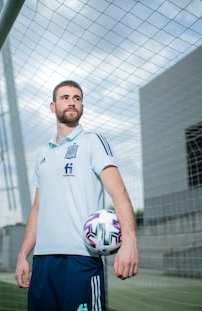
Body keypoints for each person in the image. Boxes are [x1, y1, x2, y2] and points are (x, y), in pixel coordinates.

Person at [15, 80, 139, 311]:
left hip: (81, 259)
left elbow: (119, 193)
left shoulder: (93, 142)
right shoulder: (42, 155)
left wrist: (129, 241)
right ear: (53, 106)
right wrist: (23, 255)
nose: (72, 102)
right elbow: (37, 209)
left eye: (77, 98)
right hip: (42, 262)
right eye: (65, 97)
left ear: (82, 106)